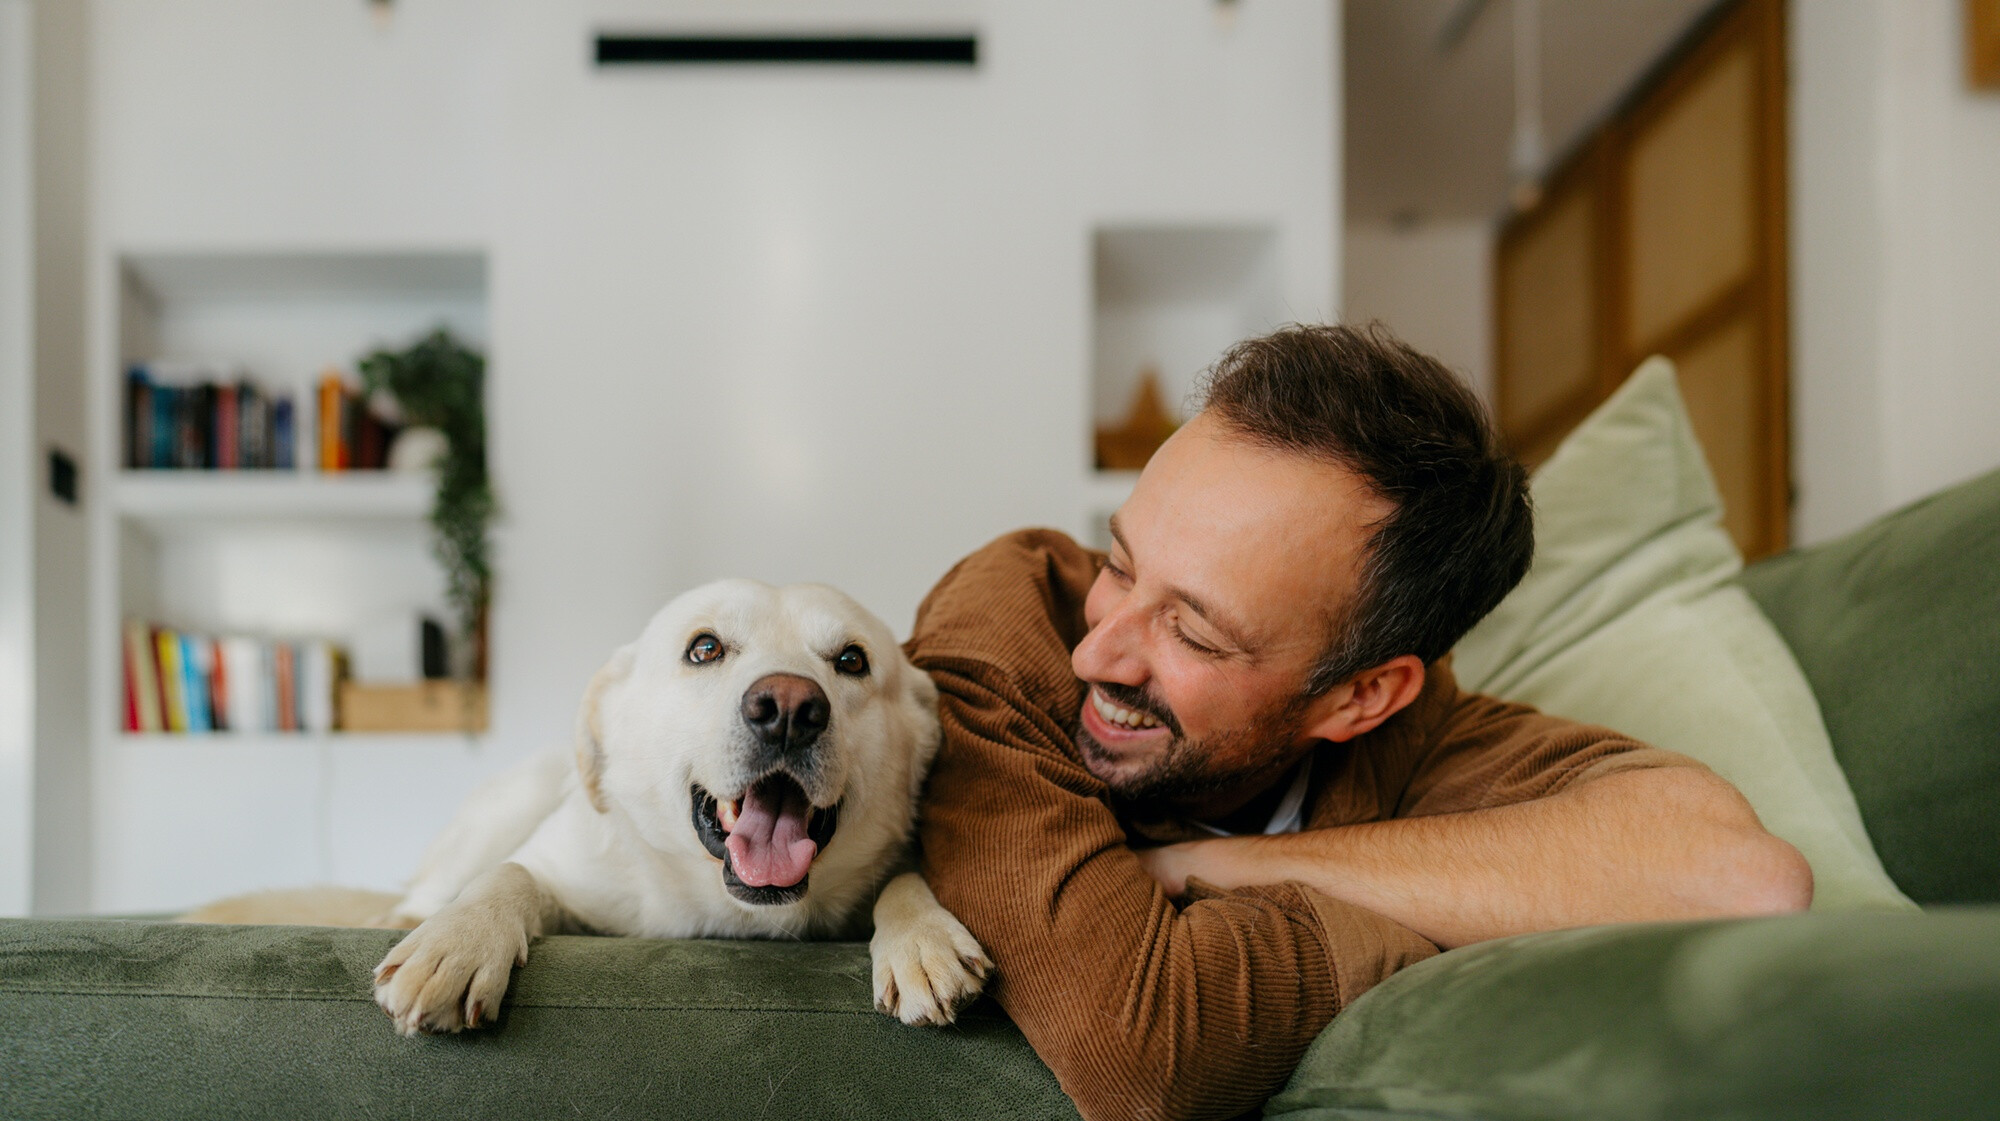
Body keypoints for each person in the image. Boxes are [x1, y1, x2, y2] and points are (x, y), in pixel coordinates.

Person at [906, 324, 1812, 1121]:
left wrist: (1215, 865)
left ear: (1362, 698)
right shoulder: (1007, 622)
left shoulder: (1421, 737)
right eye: (1120, 561)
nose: (1099, 652)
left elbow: (1743, 879)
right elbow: (1144, 1049)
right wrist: (1411, 924)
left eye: (1194, 629)